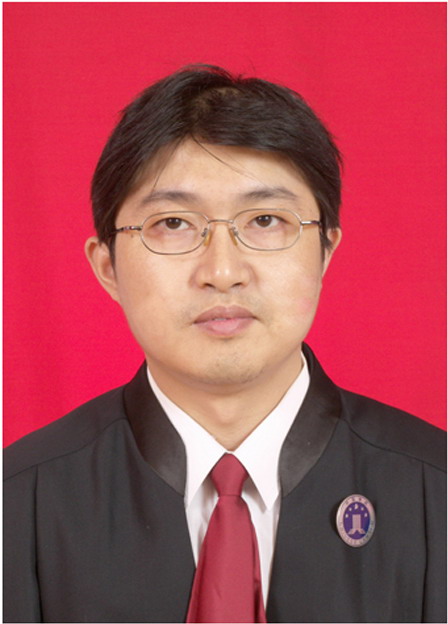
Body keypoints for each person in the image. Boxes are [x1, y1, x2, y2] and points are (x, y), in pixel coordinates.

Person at [4, 65, 446, 624]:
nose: (222, 271)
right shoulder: (16, 503)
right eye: (173, 223)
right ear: (107, 266)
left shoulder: (436, 489)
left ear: (325, 253)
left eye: (265, 219)